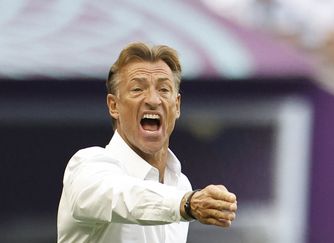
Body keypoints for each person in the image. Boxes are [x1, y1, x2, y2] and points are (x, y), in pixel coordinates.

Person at [57, 42, 238, 243]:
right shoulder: (86, 166)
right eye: (137, 89)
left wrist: (185, 202)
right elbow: (120, 195)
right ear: (114, 105)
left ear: (176, 106)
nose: (153, 99)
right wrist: (185, 204)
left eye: (163, 89)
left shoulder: (180, 185)